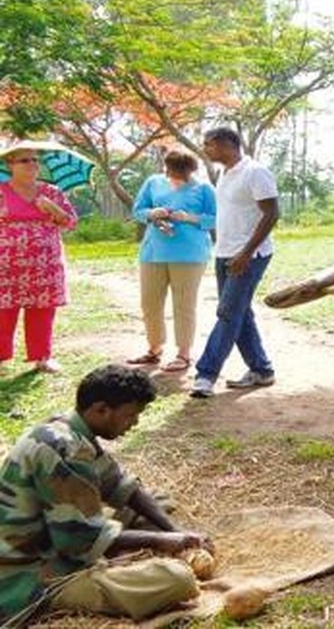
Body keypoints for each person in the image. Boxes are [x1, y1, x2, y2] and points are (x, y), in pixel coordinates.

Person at [0, 365, 212, 623]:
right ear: (101, 410)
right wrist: (159, 541)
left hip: (52, 538)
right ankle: (121, 566)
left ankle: (128, 554)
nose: (134, 423)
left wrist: (173, 530)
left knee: (156, 502)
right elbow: (79, 540)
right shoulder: (65, 449)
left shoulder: (69, 429)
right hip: (31, 578)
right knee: (177, 580)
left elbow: (121, 485)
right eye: (130, 415)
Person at [190, 127, 279, 398]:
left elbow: (272, 213)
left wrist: (245, 253)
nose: (206, 149)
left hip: (249, 256)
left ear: (229, 144)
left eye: (210, 144)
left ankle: (206, 375)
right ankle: (261, 370)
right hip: (224, 253)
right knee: (239, 312)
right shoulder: (225, 174)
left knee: (228, 313)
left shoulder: (255, 172)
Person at [126, 148, 217, 373]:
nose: (174, 175)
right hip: (153, 253)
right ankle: (154, 348)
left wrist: (189, 218)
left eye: (180, 171)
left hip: (190, 255)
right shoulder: (153, 182)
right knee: (150, 302)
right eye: (171, 170)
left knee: (184, 304)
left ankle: (183, 354)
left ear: (191, 169)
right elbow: (138, 211)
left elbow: (215, 219)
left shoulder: (204, 188)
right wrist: (152, 214)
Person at [0, 142, 79, 375]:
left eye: (35, 160)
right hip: (6, 263)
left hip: (45, 263)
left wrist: (54, 209)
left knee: (42, 309)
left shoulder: (52, 192)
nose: (33, 164)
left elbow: (71, 223)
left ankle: (42, 357)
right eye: (25, 160)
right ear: (10, 164)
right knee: (3, 310)